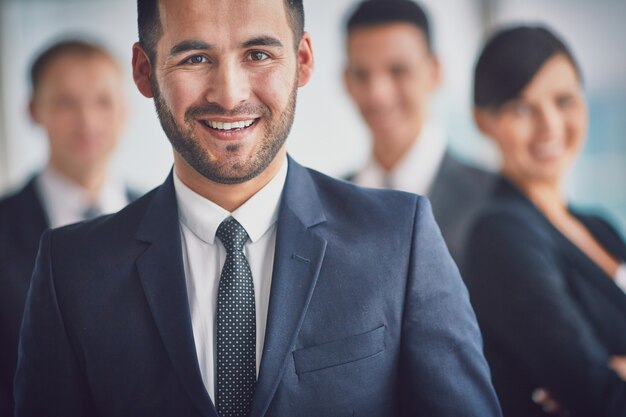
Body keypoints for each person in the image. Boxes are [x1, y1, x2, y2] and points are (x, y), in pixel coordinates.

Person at [13, 0, 502, 416]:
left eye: (258, 54)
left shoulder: (400, 239)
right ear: (144, 71)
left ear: (303, 60)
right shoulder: (71, 268)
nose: (230, 94)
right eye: (195, 58)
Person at [465, 25, 626, 417]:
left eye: (564, 100)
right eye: (522, 108)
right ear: (484, 120)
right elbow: (598, 397)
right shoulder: (500, 233)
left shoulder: (599, 227)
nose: (550, 125)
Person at [0, 39, 136, 417]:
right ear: (33, 110)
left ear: (124, 112)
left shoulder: (168, 218)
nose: (87, 121)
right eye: (66, 103)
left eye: (102, 102)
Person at [343, 0, 495, 263]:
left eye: (398, 70)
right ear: (346, 81)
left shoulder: (494, 196)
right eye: (361, 74)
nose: (378, 94)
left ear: (434, 72)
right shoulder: (327, 202)